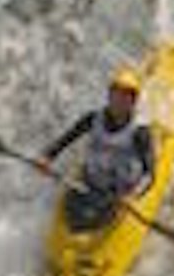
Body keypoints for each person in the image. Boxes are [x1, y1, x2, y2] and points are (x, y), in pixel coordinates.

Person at [37, 64, 155, 231]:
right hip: (90, 183)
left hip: (119, 191)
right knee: (73, 217)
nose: (119, 100)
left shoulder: (140, 132)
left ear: (133, 101)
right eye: (116, 94)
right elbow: (65, 140)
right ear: (109, 95)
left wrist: (133, 196)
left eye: (126, 96)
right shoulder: (92, 118)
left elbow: (150, 175)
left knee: (100, 219)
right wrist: (47, 157)